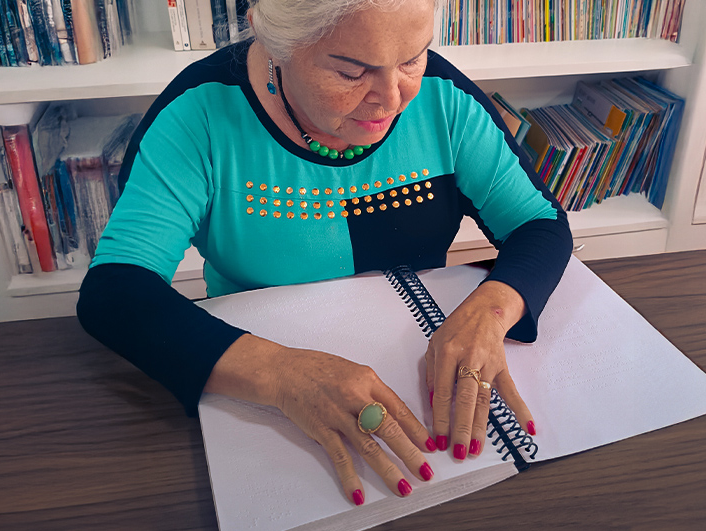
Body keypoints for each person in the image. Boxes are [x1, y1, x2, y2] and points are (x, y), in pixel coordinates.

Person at [76, 0, 572, 507]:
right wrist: (282, 375)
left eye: (412, 58)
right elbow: (115, 291)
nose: (393, 98)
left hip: (411, 360)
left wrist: (491, 311)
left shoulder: (444, 97)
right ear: (275, 41)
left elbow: (539, 223)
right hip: (255, 390)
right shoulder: (198, 114)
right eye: (351, 72)